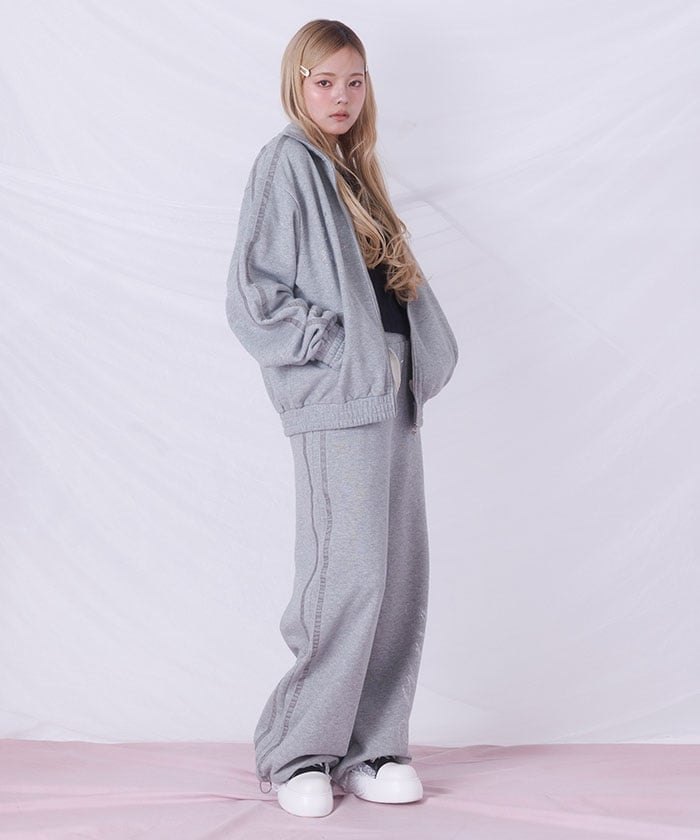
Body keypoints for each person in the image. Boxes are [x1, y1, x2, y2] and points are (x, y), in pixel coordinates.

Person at [225, 19, 458, 818]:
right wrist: (330, 347)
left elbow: (390, 291)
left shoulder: (354, 172)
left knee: (396, 578)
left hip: (392, 393)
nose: (341, 96)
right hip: (339, 395)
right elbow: (253, 295)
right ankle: (299, 751)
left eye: (354, 81)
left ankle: (374, 746)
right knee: (345, 576)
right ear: (297, 83)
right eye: (325, 81)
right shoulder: (286, 163)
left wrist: (405, 358)